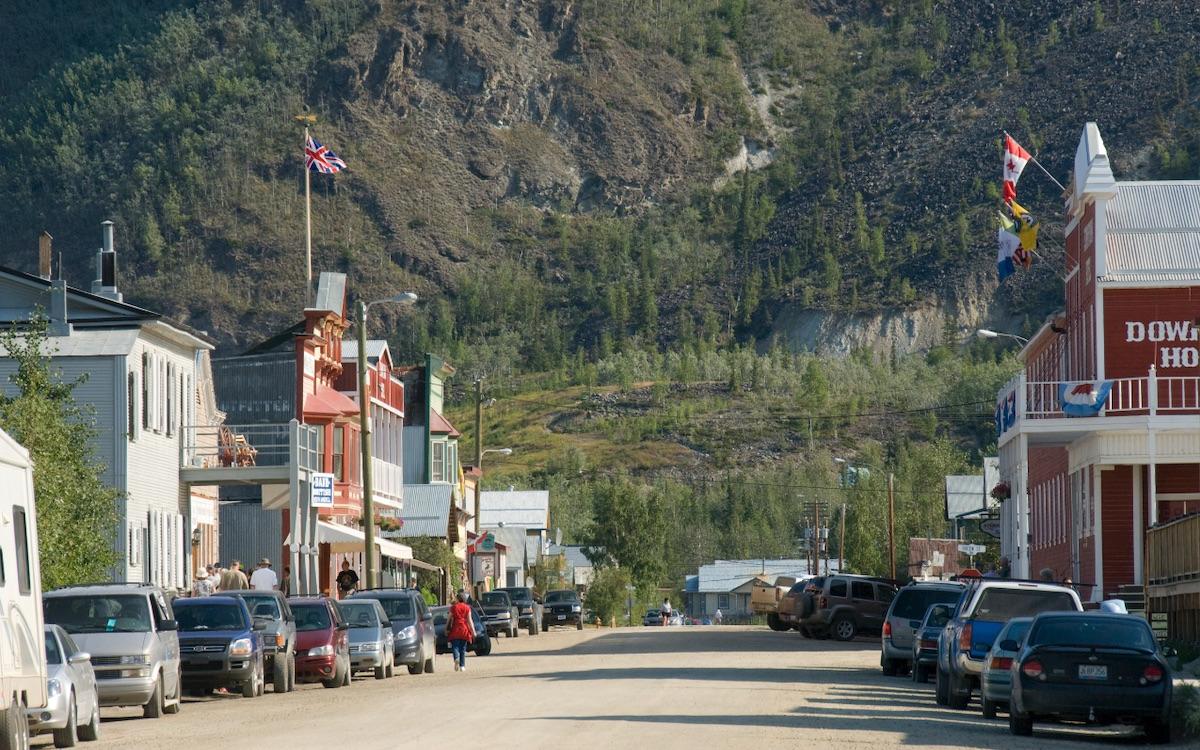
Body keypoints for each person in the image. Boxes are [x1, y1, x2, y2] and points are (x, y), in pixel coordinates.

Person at [447, 591, 476, 672]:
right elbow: (470, 621)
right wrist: (473, 632)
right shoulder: (467, 608)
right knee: (463, 649)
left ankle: (456, 658)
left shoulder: (453, 607)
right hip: (464, 630)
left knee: (455, 646)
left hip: (455, 629)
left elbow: (449, 619)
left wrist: (446, 628)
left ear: (457, 599)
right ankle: (462, 666)